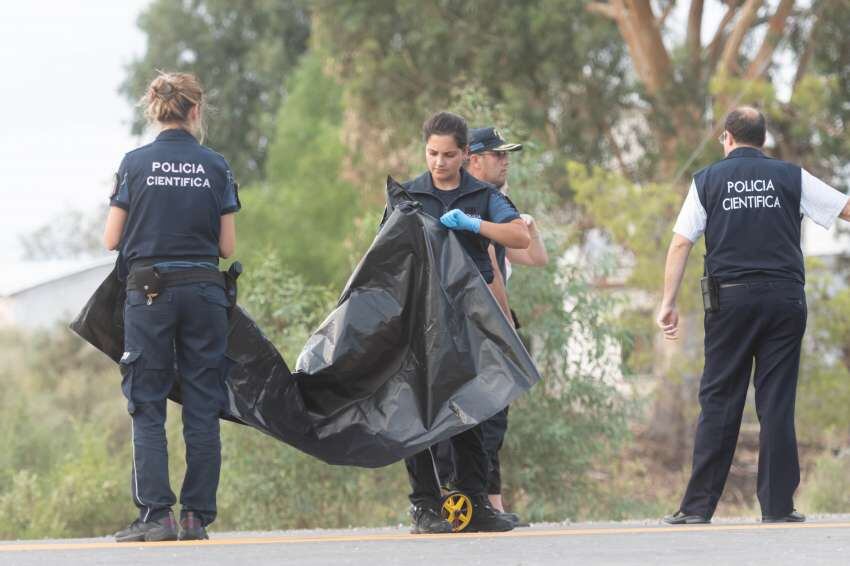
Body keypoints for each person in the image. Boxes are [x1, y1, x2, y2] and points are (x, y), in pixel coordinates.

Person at [657, 106, 850, 525]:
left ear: (726, 137)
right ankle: (779, 507)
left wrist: (668, 301)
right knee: (776, 401)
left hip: (731, 302)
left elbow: (680, 244)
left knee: (720, 400)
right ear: (763, 139)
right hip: (785, 301)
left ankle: (696, 509)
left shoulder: (706, 180)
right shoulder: (790, 176)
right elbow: (845, 209)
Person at [102, 71, 240, 542]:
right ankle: (196, 517)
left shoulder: (135, 163)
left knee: (147, 402)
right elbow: (226, 246)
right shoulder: (216, 165)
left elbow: (111, 239)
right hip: (205, 293)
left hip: (150, 295)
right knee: (203, 403)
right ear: (196, 111)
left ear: (153, 109)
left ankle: (156, 515)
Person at [388, 111, 530, 534]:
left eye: (449, 155)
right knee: (419, 411)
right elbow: (386, 257)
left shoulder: (481, 195)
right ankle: (426, 506)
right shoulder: (409, 195)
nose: (439, 162)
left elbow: (520, 236)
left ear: (466, 154)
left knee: (475, 410)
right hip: (423, 316)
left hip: (470, 316)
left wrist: (474, 225)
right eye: (432, 153)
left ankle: (474, 504)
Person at [436, 126, 548, 520]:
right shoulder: (471, 204)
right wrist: (505, 326)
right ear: (475, 159)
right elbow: (490, 275)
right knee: (480, 416)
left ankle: (491, 502)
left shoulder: (495, 203)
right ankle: (472, 503)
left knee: (494, 416)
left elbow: (534, 259)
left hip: (494, 322)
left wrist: (528, 229)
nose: (506, 161)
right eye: (498, 155)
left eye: (507, 155)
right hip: (483, 322)